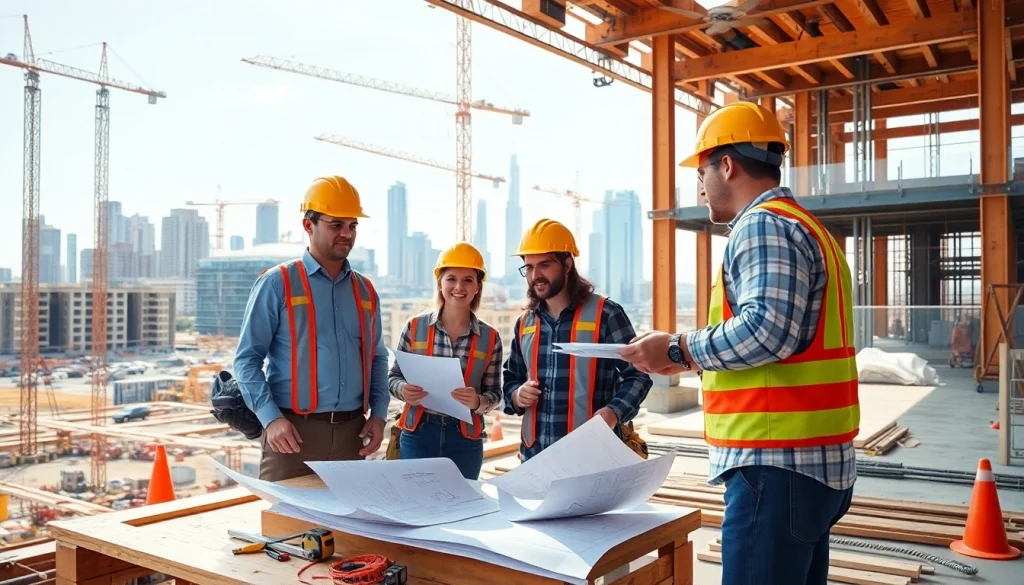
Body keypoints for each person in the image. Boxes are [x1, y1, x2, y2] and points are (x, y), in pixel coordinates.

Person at [617, 101, 859, 585]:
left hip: (775, 463)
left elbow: (767, 330)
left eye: (701, 173)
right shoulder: (809, 228)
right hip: (810, 462)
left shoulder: (763, 224)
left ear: (726, 165)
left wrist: (677, 349)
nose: (700, 186)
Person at [234, 175, 390, 482]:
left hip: (352, 436)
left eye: (352, 225)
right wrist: (271, 419)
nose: (346, 233)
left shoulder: (365, 291)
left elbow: (377, 357)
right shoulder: (277, 283)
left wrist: (380, 414)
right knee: (286, 514)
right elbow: (246, 360)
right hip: (291, 436)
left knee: (350, 516)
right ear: (309, 225)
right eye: (336, 225)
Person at [502, 218, 653, 462]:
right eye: (528, 267)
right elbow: (511, 378)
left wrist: (613, 413)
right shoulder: (525, 323)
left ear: (567, 264)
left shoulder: (606, 314)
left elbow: (638, 375)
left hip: (592, 456)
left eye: (544, 265)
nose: (535, 275)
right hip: (535, 458)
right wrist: (517, 395)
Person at [387, 242, 503, 480]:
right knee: (417, 499)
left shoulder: (490, 338)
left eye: (468, 280)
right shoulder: (414, 327)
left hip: (465, 439)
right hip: (418, 433)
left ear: (478, 287)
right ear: (440, 283)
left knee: (463, 500)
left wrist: (477, 401)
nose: (459, 287)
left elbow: (495, 393)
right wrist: (403, 390)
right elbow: (393, 377)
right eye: (451, 279)